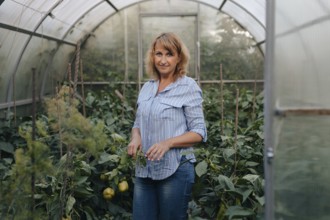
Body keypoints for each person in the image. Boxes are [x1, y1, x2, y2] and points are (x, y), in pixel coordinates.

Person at [127, 32, 207, 220]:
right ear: (152, 56)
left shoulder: (188, 87)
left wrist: (167, 143)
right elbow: (138, 122)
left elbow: (199, 132)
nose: (163, 60)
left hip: (176, 169)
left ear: (179, 58)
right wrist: (136, 137)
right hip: (144, 169)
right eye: (159, 54)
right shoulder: (147, 87)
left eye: (169, 54)